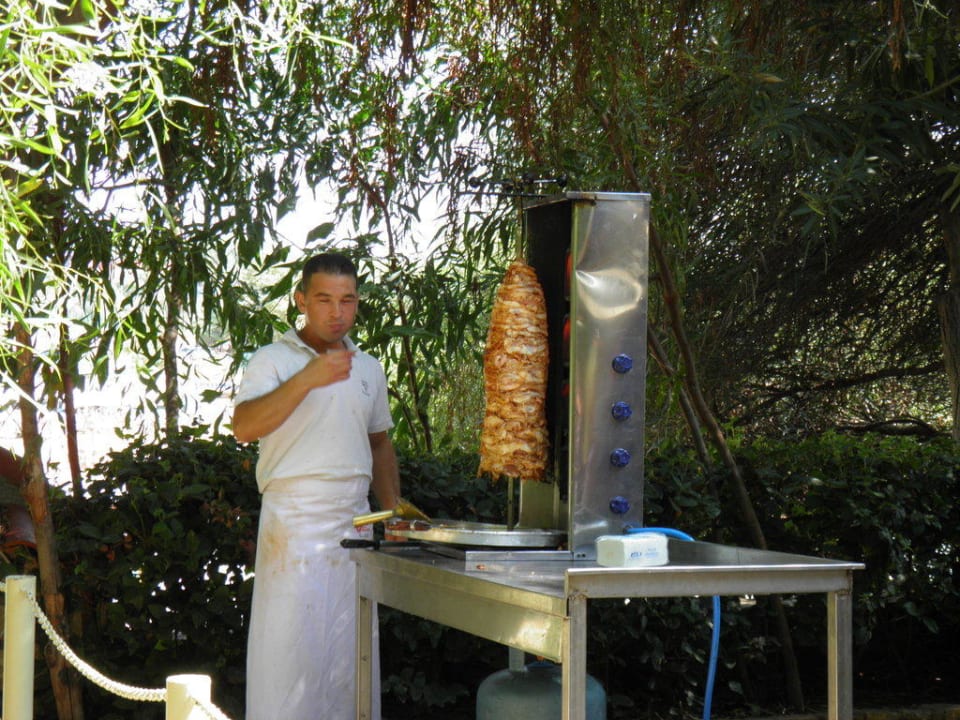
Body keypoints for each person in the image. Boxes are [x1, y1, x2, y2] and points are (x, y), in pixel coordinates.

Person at [232, 252, 399, 720]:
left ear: (357, 304)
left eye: (347, 300)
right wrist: (308, 377)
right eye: (324, 299)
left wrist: (394, 509)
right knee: (287, 654)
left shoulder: (368, 368)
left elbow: (380, 444)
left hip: (356, 521)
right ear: (301, 299)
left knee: (350, 656)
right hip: (293, 524)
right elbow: (244, 426)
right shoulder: (273, 359)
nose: (335, 312)